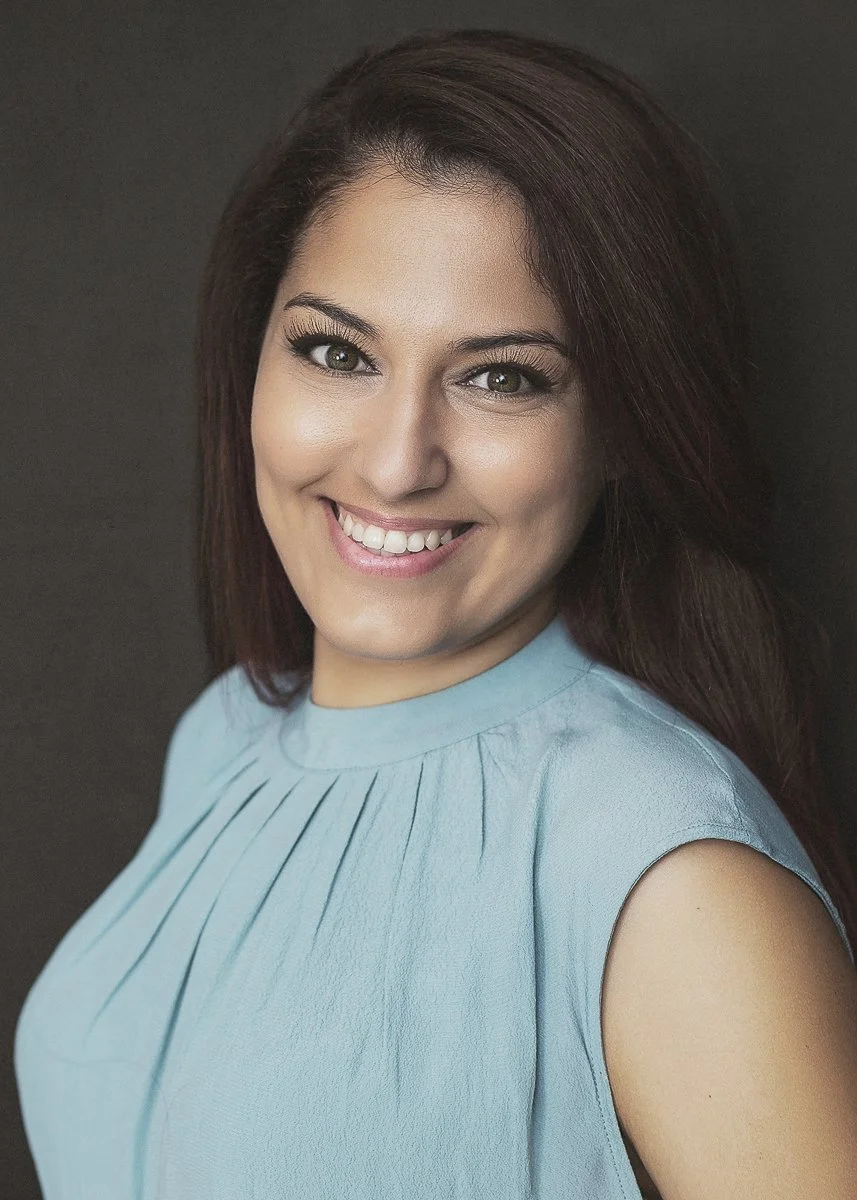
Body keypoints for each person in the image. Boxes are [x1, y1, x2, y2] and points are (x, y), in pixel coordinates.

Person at [14, 27, 857, 1200]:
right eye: (334, 352)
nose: (398, 461)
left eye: (501, 376)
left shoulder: (673, 883)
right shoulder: (223, 742)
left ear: (622, 429)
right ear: (251, 359)